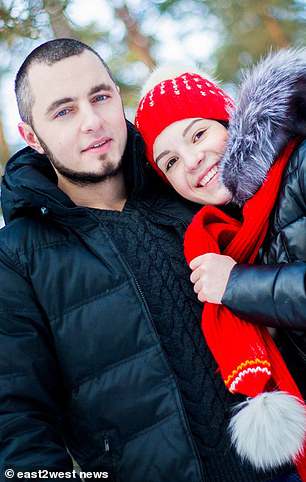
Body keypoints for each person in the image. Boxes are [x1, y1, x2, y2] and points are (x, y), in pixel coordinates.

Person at [0, 38, 292, 482]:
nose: (92, 122)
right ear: (31, 137)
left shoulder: (189, 185)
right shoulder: (18, 257)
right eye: (64, 111)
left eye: (100, 97)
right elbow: (16, 420)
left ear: (119, 98)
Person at [135, 48, 306, 480]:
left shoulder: (300, 163)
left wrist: (236, 286)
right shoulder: (232, 232)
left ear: (230, 120)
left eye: (197, 135)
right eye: (170, 161)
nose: (191, 162)